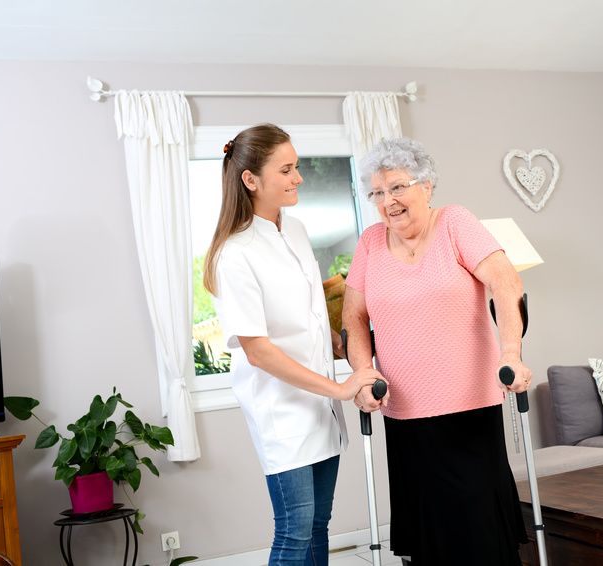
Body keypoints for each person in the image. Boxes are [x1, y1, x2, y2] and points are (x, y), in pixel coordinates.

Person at [342, 137, 532, 565]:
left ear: (426, 186)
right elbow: (353, 316)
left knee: (479, 530)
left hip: (468, 408)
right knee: (427, 537)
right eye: (377, 192)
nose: (387, 201)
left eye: (396, 187)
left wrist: (510, 352)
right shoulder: (371, 242)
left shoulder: (454, 223)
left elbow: (506, 282)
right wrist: (363, 372)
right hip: (404, 413)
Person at [203, 123, 383, 566]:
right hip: (282, 409)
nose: (298, 177)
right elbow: (258, 349)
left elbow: (309, 311)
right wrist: (341, 388)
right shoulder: (235, 253)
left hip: (319, 404)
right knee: (295, 529)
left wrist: (342, 343)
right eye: (286, 169)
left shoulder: (297, 228)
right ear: (251, 180)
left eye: (296, 166)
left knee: (319, 525)